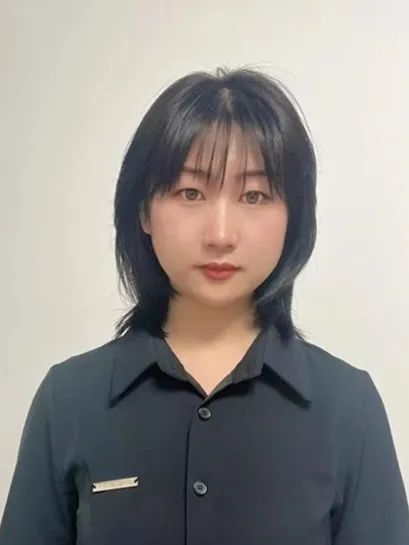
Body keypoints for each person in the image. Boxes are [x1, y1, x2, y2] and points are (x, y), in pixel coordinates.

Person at [1, 66, 408, 545]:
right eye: (190, 192)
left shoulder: (348, 406)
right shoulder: (69, 398)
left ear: (293, 217)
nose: (220, 234)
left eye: (254, 195)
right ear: (143, 210)